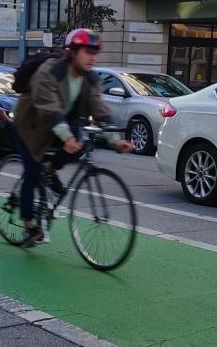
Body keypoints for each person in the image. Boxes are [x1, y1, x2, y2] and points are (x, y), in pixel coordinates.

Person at [12, 28, 134, 245]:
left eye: (95, 53)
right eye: (87, 52)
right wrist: (66, 137)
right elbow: (48, 108)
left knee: (80, 146)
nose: (92, 58)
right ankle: (28, 226)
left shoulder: (90, 78)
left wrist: (115, 141)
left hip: (57, 126)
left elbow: (99, 109)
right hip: (31, 125)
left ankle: (49, 172)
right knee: (31, 174)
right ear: (72, 52)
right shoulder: (50, 71)